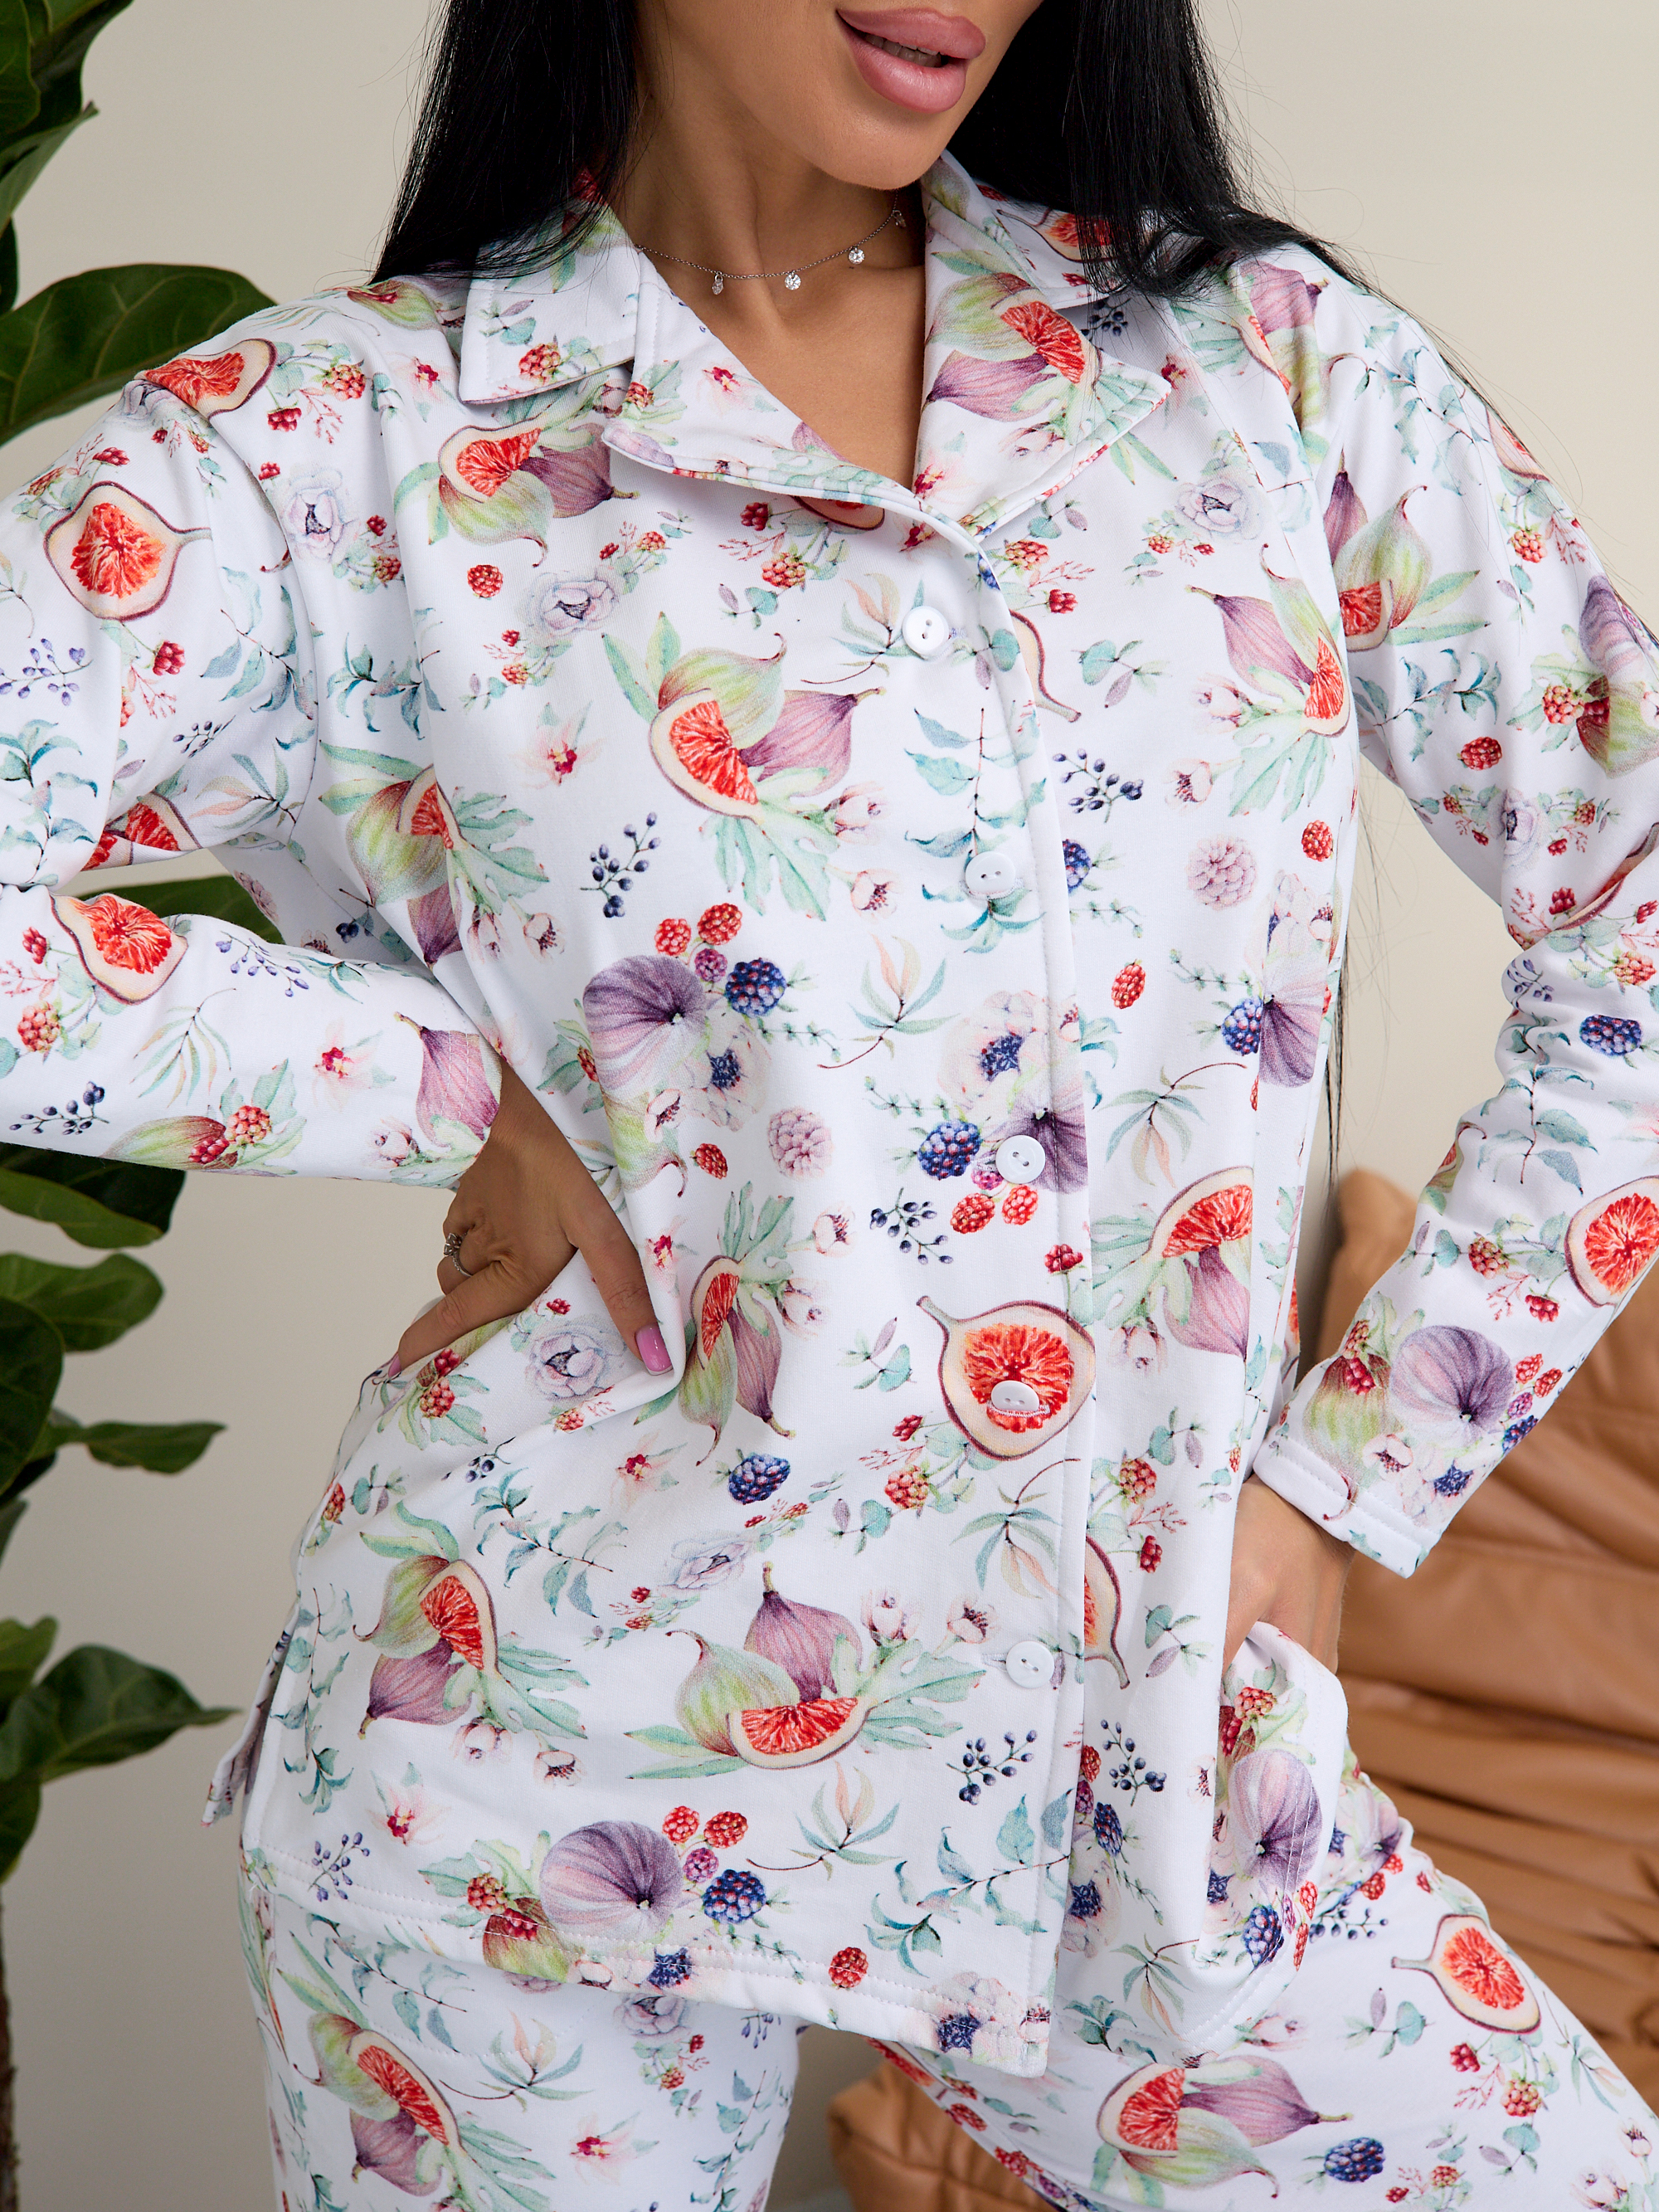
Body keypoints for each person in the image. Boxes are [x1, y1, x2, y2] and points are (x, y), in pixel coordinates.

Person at [3, 0, 1657, 2201]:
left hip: (1143, 1751)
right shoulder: (336, 441)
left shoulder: (1261, 372)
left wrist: (1343, 1485)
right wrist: (441, 1090)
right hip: (528, 1775)